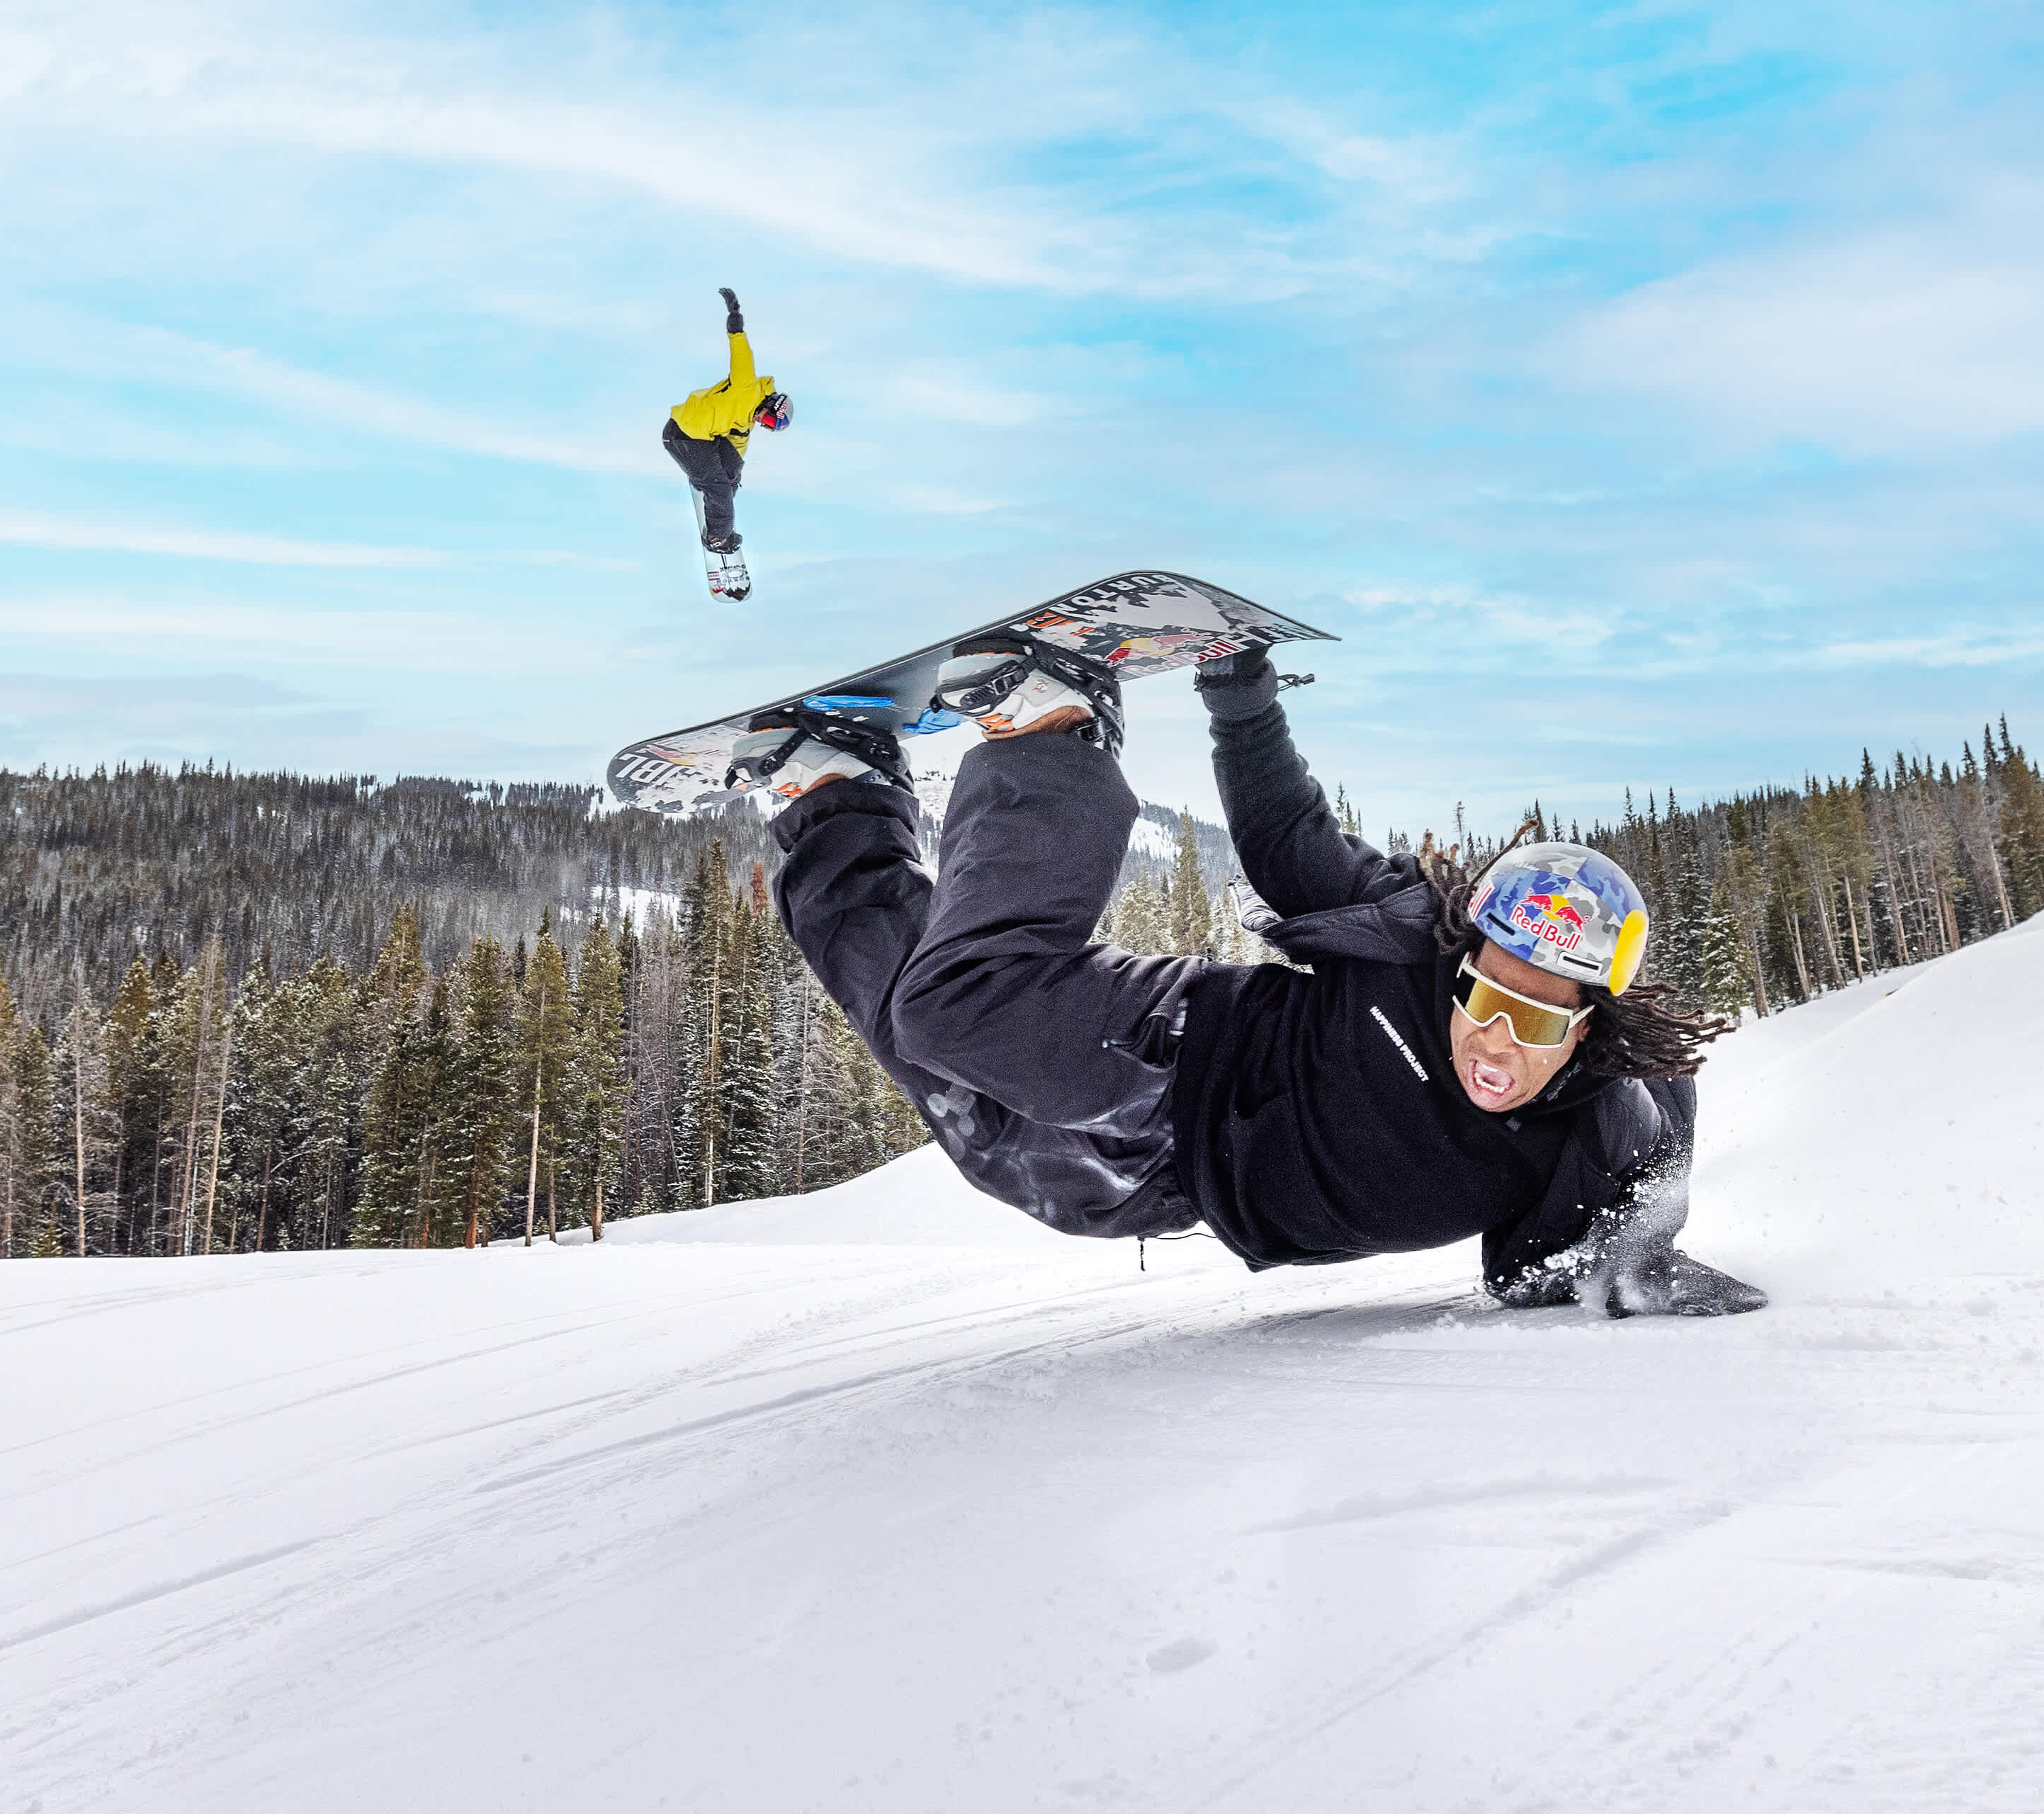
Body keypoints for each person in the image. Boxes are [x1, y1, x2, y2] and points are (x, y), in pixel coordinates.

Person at [730, 639, 1766, 1315]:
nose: (1498, 1041)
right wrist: (1240, 698)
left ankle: (838, 799)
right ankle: (1058, 728)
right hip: (1185, 1050)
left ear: (1585, 1030)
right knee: (963, 1012)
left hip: (1190, 1185)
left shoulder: (1607, 1124)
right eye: (1488, 999)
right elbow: (1285, 838)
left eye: (1537, 1023)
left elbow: (1607, 1237)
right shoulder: (1412, 934)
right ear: (1464, 966)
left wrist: (1648, 1263)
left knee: (964, 1102)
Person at [662, 287, 791, 555]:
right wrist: (735, 319)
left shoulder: (746, 423)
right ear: (771, 404)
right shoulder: (747, 386)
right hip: (683, 434)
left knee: (731, 474)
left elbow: (737, 448)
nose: (764, 424)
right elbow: (741, 354)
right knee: (720, 487)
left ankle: (713, 493)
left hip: (705, 439)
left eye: (770, 427)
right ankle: (717, 539)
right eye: (769, 420)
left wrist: (732, 476)